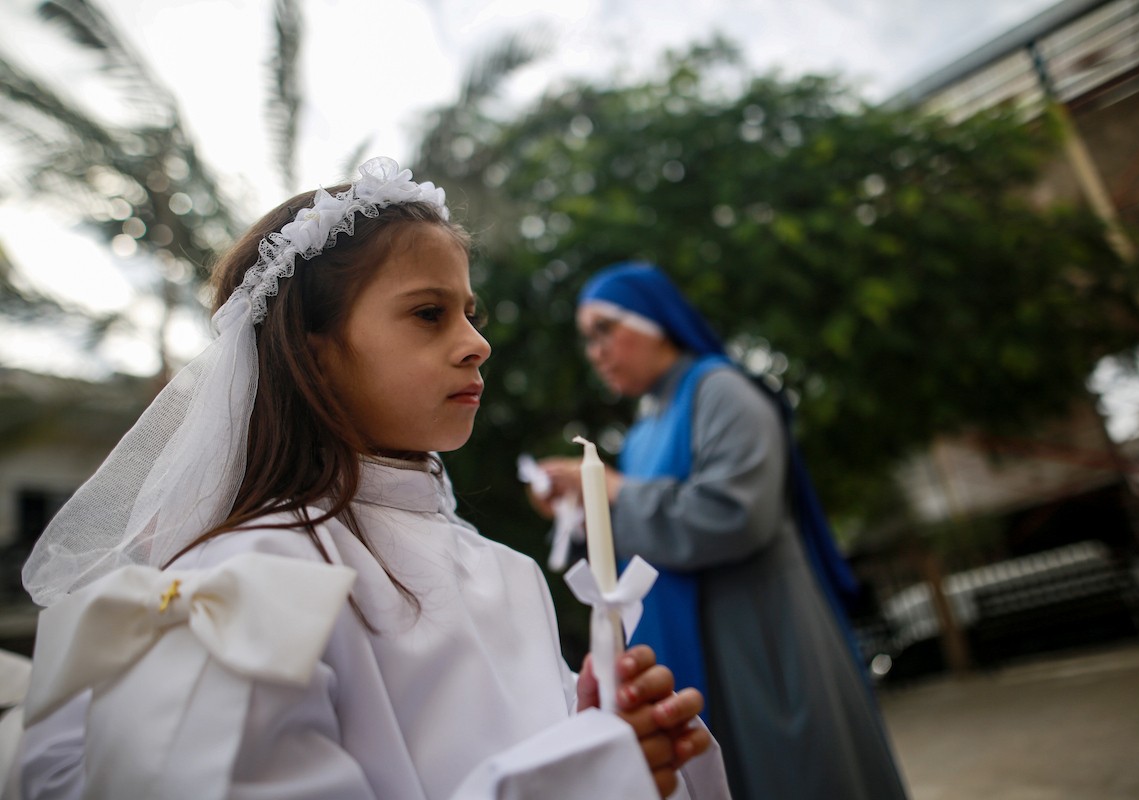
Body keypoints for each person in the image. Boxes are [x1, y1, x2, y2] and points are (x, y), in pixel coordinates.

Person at [6, 161, 729, 800]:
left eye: (469, 314)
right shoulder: (249, 579)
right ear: (314, 350)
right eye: (428, 314)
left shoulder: (508, 572)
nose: (477, 343)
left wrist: (601, 728)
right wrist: (578, 775)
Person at [531, 262, 909, 800]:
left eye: (604, 330)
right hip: (693, 647)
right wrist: (581, 510)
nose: (595, 352)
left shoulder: (722, 391)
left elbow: (737, 515)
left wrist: (615, 490)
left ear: (654, 322)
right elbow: (647, 540)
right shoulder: (642, 433)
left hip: (758, 641)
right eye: (587, 340)